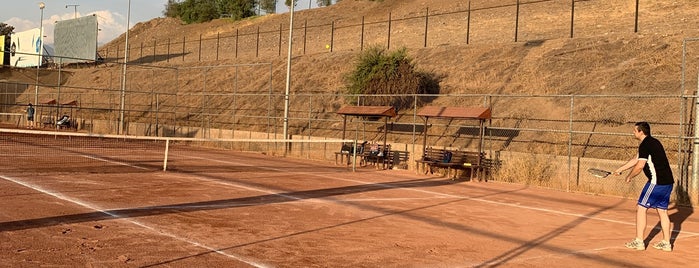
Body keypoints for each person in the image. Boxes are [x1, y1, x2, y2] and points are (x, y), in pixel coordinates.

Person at [614, 122, 674, 252]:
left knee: (641, 208)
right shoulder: (653, 142)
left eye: (635, 131)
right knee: (662, 211)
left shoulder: (645, 144)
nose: (633, 133)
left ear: (641, 132)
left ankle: (639, 241)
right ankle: (666, 243)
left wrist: (630, 176)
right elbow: (636, 159)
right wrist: (620, 169)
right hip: (668, 182)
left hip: (656, 182)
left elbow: (640, 165)